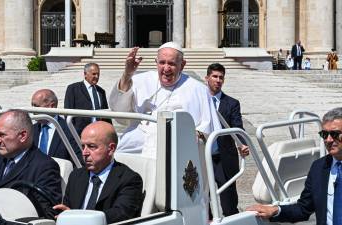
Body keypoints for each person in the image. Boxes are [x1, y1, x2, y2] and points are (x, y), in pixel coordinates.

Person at [109, 42, 221, 156]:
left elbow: (207, 129)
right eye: (162, 62)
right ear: (156, 62)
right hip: (142, 134)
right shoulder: (141, 80)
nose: (166, 68)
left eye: (171, 63)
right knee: (116, 153)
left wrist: (196, 135)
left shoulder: (198, 89)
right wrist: (127, 74)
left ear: (182, 65)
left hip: (180, 140)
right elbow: (119, 110)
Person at [247, 107, 342, 225]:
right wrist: (276, 210)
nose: (328, 140)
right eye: (324, 134)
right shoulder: (319, 167)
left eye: (335, 134)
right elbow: (303, 208)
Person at [53, 121, 143, 223]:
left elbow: (121, 214)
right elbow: (67, 210)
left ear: (111, 149)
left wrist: (79, 218)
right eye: (83, 146)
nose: (84, 153)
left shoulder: (129, 180)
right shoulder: (76, 176)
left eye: (91, 146)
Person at [205, 63, 249, 216]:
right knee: (203, 201)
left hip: (224, 158)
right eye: (214, 76)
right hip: (203, 157)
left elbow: (238, 127)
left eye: (221, 77)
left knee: (229, 202)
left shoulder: (232, 103)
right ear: (207, 78)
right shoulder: (199, 100)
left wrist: (242, 144)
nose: (218, 80)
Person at [31, 89, 83, 165]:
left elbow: (78, 162)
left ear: (51, 106)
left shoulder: (70, 130)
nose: (32, 111)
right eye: (32, 106)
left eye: (36, 106)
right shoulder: (31, 130)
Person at [64, 63, 111, 135]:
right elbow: (67, 112)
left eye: (98, 74)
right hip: (80, 133)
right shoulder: (73, 88)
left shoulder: (101, 91)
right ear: (85, 74)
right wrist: (73, 132)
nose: (97, 76)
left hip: (99, 132)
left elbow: (106, 115)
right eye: (94, 74)